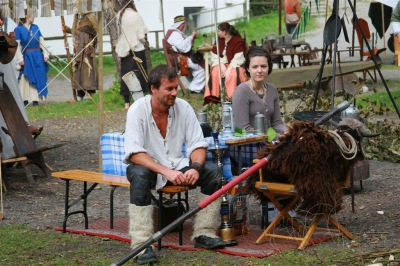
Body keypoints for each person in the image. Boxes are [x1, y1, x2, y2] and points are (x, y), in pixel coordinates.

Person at [123, 64, 225, 264]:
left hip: (177, 164)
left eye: (176, 87)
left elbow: (197, 143)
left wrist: (196, 167)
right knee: (139, 174)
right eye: (169, 89)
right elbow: (134, 153)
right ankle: (142, 245)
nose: (174, 93)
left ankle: (204, 233)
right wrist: (166, 172)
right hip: (149, 166)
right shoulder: (137, 110)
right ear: (153, 89)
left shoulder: (183, 107)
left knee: (213, 172)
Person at [232, 46, 288, 138]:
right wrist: (275, 137)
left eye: (263, 66)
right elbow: (242, 129)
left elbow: (277, 123)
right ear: (247, 68)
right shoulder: (241, 92)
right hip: (249, 146)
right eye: (255, 67)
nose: (259, 70)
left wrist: (286, 132)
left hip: (270, 144)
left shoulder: (272, 89)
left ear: (268, 67)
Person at [116, 0, 149, 110]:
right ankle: (139, 100)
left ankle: (126, 103)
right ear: (132, 4)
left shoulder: (119, 15)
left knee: (126, 76)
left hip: (124, 49)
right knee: (138, 74)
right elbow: (140, 35)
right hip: (137, 48)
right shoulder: (136, 16)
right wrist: (144, 41)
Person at [204, 22, 247, 104]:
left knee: (234, 74)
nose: (218, 32)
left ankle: (232, 98)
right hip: (221, 64)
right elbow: (214, 55)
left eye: (219, 31)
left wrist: (229, 68)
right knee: (215, 72)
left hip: (235, 64)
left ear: (224, 32)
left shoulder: (237, 40)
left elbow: (239, 57)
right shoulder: (219, 40)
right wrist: (220, 64)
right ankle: (214, 98)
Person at [14, 12, 49, 106]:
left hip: (37, 55)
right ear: (26, 16)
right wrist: (20, 58)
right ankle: (25, 100)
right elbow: (17, 46)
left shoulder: (36, 27)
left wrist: (45, 54)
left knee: (38, 75)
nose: (34, 16)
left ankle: (36, 100)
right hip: (27, 56)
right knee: (26, 77)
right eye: (31, 14)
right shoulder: (18, 29)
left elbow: (41, 41)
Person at [62, 12, 98, 101]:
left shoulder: (88, 21)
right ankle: (80, 96)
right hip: (80, 53)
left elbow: (84, 35)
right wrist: (68, 29)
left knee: (87, 75)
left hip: (86, 54)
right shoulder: (80, 20)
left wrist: (80, 49)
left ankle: (91, 95)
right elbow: (77, 33)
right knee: (79, 74)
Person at [165, 15, 205, 94]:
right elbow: (183, 47)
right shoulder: (174, 34)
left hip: (180, 57)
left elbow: (187, 46)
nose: (184, 26)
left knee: (196, 66)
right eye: (183, 24)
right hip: (179, 59)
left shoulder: (176, 33)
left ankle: (193, 87)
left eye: (185, 24)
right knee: (201, 69)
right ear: (179, 24)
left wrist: (192, 38)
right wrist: (191, 36)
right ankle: (196, 89)